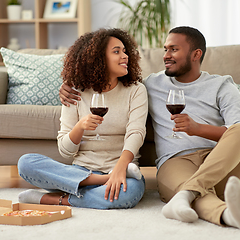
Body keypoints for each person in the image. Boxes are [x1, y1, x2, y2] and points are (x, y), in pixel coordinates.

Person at [59, 26, 240, 231]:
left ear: (196, 54)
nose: (166, 56)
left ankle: (186, 194)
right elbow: (111, 84)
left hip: (218, 161)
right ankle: (228, 215)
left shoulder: (223, 85)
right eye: (165, 49)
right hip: (176, 161)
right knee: (198, 192)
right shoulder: (151, 84)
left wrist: (198, 129)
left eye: (173, 49)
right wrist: (66, 84)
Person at [17, 28, 148, 209]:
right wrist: (80, 127)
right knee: (26, 163)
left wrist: (119, 168)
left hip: (120, 167)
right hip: (81, 170)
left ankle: (54, 198)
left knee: (130, 193)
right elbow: (65, 151)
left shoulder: (136, 90)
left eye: (125, 51)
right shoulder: (74, 92)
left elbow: (136, 132)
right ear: (97, 59)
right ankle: (102, 181)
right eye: (116, 51)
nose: (125, 56)